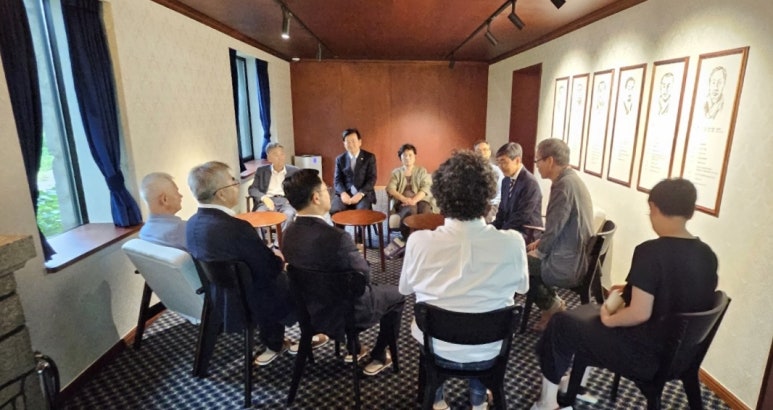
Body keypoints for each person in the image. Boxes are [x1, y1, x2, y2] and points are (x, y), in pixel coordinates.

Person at [531, 178, 718, 410]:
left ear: (654, 208)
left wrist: (609, 319)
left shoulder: (650, 252)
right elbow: (679, 294)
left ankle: (546, 403)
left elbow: (639, 313)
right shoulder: (707, 255)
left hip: (644, 355)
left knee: (562, 323)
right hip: (680, 355)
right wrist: (631, 289)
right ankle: (574, 384)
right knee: (586, 316)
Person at [400, 151, 529, 410]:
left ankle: (437, 400)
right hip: (490, 349)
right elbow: (523, 287)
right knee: (481, 322)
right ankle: (478, 401)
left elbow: (405, 288)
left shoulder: (419, 242)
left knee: (440, 321)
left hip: (437, 348)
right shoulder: (512, 242)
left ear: (441, 198)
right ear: (488, 198)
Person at [186, 161, 326, 367]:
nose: (237, 184)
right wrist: (278, 257)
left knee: (264, 277)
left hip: (224, 298)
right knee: (301, 279)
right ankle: (311, 334)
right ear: (221, 194)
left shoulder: (191, 224)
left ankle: (274, 345)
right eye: (233, 181)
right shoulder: (236, 228)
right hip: (255, 301)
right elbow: (269, 268)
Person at [281, 169, 405, 377]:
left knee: (342, 285)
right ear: (316, 197)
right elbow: (364, 277)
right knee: (397, 295)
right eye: (326, 189)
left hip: (310, 310)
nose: (330, 192)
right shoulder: (338, 238)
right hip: (346, 313)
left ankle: (354, 348)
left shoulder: (287, 234)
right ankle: (379, 355)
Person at [527, 139, 594, 332]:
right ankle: (552, 303)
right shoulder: (572, 180)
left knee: (517, 263)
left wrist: (540, 251)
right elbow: (559, 226)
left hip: (567, 263)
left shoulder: (563, 186)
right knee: (527, 256)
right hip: (575, 255)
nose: (536, 165)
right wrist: (541, 242)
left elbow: (554, 227)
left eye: (538, 160)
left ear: (550, 161)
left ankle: (551, 305)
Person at [384, 143, 437, 257]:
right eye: (404, 155)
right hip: (403, 202)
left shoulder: (421, 170)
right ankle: (410, 241)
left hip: (421, 199)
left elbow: (426, 187)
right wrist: (404, 199)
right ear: (400, 157)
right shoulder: (396, 172)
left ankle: (425, 243)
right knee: (411, 210)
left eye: (410, 155)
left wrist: (414, 200)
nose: (407, 158)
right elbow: (391, 189)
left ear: (415, 156)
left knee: (425, 210)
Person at [493, 142, 543, 242]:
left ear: (517, 160)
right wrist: (491, 228)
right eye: (498, 162)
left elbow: (522, 215)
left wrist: (500, 232)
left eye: (503, 162)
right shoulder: (506, 180)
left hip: (526, 233)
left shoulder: (529, 182)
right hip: (511, 230)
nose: (500, 166)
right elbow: (502, 210)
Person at [247, 142, 300, 231]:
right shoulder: (261, 171)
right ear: (269, 158)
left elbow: (302, 188)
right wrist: (264, 198)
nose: (280, 157)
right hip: (267, 201)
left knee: (289, 214)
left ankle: (280, 240)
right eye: (276, 155)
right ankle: (260, 239)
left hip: (286, 201)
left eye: (282, 154)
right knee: (258, 215)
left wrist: (293, 198)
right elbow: (252, 189)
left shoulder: (294, 171)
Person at [331, 128, 377, 214]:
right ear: (344, 144)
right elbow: (337, 180)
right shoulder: (340, 159)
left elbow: (372, 179)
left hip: (363, 193)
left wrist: (360, 194)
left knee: (361, 213)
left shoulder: (369, 157)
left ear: (360, 142)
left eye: (353, 141)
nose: (351, 144)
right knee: (335, 211)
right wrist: (343, 193)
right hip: (345, 193)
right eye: (347, 142)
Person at [138, 172, 187, 250]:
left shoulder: (144, 232)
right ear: (164, 200)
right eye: (177, 192)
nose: (181, 196)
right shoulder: (185, 229)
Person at [473, 140, 504, 223]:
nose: (482, 153)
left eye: (485, 150)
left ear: (489, 152)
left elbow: (499, 193)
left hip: (491, 207)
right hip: (473, 207)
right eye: (478, 151)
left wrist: (492, 209)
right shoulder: (470, 170)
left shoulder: (496, 171)